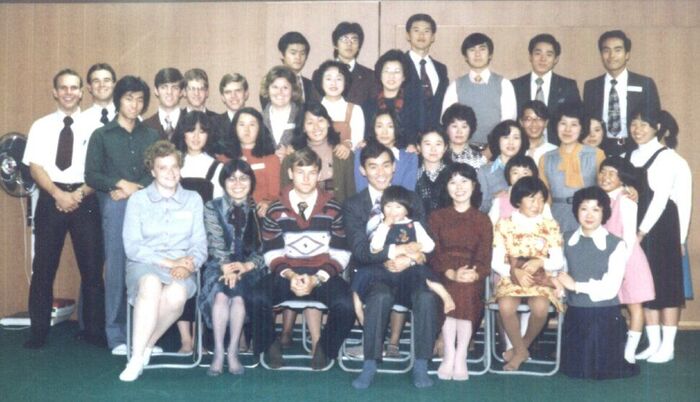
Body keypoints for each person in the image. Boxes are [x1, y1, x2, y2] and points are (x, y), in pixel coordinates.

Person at [22, 68, 105, 349]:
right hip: (50, 197)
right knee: (43, 268)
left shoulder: (96, 127)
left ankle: (95, 332)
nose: (69, 92)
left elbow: (100, 170)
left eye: (74, 87)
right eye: (63, 88)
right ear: (55, 92)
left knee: (92, 269)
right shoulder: (41, 126)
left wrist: (78, 194)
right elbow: (35, 166)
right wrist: (58, 193)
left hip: (85, 196)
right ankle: (38, 332)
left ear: (82, 92)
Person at [250, 148, 354, 370]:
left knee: (346, 305)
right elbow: (271, 252)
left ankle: (325, 348)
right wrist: (290, 275)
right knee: (255, 297)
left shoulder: (333, 207)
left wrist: (317, 278)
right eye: (300, 172)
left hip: (322, 274)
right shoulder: (276, 209)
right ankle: (270, 345)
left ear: (318, 175)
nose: (306, 178)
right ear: (290, 173)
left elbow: (341, 253)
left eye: (311, 172)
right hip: (288, 272)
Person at [344, 142, 438, 389]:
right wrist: (396, 251)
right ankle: (370, 364)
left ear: (394, 167)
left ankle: (421, 364)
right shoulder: (354, 205)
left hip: (411, 272)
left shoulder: (412, 199)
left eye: (386, 165)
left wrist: (407, 258)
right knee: (380, 296)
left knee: (426, 297)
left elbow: (425, 242)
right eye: (372, 167)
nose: (380, 172)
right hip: (374, 274)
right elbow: (361, 251)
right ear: (363, 170)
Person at [118, 141, 207, 381]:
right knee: (150, 284)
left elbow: (200, 244)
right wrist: (171, 263)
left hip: (181, 267)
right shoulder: (138, 200)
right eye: (163, 167)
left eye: (174, 167)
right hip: (144, 264)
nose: (170, 173)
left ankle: (147, 345)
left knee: (177, 295)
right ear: (152, 171)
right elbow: (133, 248)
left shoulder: (193, 199)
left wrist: (190, 263)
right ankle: (136, 359)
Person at [85, 75, 159, 354]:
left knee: (146, 268)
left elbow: (157, 170)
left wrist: (132, 188)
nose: (135, 104)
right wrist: (118, 184)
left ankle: (145, 336)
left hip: (146, 207)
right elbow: (91, 175)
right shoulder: (101, 135)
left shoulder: (151, 135)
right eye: (129, 98)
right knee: (116, 267)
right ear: (118, 100)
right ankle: (116, 335)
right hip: (114, 207)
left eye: (140, 99)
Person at [557, 186, 639, 379]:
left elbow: (610, 290)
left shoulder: (616, 244)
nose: (589, 215)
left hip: (604, 316)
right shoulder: (565, 239)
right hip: (576, 314)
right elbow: (559, 272)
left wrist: (575, 285)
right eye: (584, 208)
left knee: (600, 371)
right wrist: (558, 283)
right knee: (575, 371)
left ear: (605, 213)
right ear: (576, 211)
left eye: (596, 209)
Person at [625, 109, 683, 363]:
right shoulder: (630, 155)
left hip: (661, 227)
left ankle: (668, 346)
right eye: (633, 124)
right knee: (643, 285)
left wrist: (641, 232)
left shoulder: (667, 157)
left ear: (657, 127)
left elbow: (660, 200)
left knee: (667, 285)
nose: (637, 129)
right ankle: (654, 342)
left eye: (644, 124)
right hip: (636, 226)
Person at [198, 159, 266, 376]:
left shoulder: (259, 210)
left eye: (243, 178)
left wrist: (247, 266)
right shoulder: (212, 207)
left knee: (237, 297)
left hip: (250, 269)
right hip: (218, 267)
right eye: (231, 178)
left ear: (251, 182)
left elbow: (266, 249)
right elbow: (215, 243)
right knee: (220, 296)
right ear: (223, 182)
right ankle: (219, 353)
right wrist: (227, 267)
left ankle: (233, 351)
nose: (238, 183)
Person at [351, 185, 454, 325]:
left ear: (407, 209)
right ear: (382, 207)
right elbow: (375, 247)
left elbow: (430, 246)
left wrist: (417, 248)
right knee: (361, 274)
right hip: (384, 269)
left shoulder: (414, 225)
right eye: (388, 206)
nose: (392, 211)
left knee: (424, 272)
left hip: (408, 270)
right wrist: (385, 227)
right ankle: (358, 310)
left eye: (398, 207)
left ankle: (445, 295)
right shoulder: (381, 225)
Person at [491, 176, 564, 371]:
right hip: (511, 276)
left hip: (540, 277)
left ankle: (521, 348)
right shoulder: (504, 224)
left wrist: (541, 261)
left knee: (540, 309)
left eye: (541, 199)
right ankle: (521, 351)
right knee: (506, 307)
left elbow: (558, 260)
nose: (537, 204)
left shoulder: (550, 225)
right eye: (531, 199)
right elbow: (496, 260)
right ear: (518, 200)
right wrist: (515, 272)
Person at [429, 163, 492, 381]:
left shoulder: (483, 220)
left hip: (471, 272)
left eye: (464, 181)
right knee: (454, 287)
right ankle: (449, 354)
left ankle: (461, 355)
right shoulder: (436, 217)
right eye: (453, 182)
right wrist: (450, 272)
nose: (459, 187)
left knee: (466, 288)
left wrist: (475, 273)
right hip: (442, 272)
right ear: (446, 187)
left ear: (474, 186)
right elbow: (434, 252)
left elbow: (484, 257)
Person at [171, 111, 224, 353]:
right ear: (182, 133)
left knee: (205, 280)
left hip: (205, 237)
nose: (195, 136)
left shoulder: (217, 166)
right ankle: (185, 339)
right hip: (174, 237)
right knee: (181, 277)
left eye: (202, 131)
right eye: (191, 130)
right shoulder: (173, 163)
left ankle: (202, 334)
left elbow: (220, 209)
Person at [597, 156, 655, 363]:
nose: (605, 177)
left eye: (612, 173)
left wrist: (620, 267)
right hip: (604, 260)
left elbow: (629, 237)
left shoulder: (626, 199)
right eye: (603, 172)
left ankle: (629, 352)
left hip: (628, 260)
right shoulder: (597, 198)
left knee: (634, 305)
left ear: (622, 178)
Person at [583, 30, 661, 157]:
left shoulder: (644, 83)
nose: (611, 55)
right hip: (601, 149)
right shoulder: (591, 86)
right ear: (601, 54)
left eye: (617, 50)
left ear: (627, 54)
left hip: (635, 148)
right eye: (606, 50)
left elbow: (655, 119)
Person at [441, 32, 517, 147]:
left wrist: (491, 150)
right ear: (466, 57)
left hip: (495, 150)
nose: (477, 54)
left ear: (490, 54)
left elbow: (508, 124)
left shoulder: (503, 84)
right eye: (472, 50)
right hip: (462, 150)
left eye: (482, 49)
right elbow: (446, 122)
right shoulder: (456, 86)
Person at [539, 103, 605, 233]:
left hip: (588, 216)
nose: (567, 130)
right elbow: (544, 196)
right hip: (556, 216)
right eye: (563, 123)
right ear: (556, 126)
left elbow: (606, 188)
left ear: (582, 128)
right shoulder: (546, 158)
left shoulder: (596, 154)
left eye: (574, 124)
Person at [511, 34, 581, 145]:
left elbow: (577, 121)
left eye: (549, 55)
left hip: (558, 149)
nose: (543, 59)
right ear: (530, 56)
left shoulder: (568, 86)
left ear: (556, 59)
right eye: (538, 53)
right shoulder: (515, 86)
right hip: (522, 149)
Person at [281, 103, 355, 203]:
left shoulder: (343, 155)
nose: (316, 127)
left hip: (337, 215)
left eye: (320, 120)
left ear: (328, 123)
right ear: (303, 128)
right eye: (310, 123)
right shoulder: (291, 158)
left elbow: (351, 196)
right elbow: (285, 196)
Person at [225, 107, 280, 216]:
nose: (247, 130)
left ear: (260, 128)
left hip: (261, 214)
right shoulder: (224, 159)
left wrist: (267, 203)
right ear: (234, 128)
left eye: (252, 125)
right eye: (242, 124)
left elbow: (275, 194)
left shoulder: (271, 159)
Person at [362, 49, 421, 151]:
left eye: (396, 72)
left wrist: (413, 145)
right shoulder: (368, 105)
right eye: (387, 71)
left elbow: (418, 134)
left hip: (405, 156)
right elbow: (367, 136)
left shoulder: (414, 104)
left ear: (404, 77)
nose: (391, 76)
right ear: (380, 75)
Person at [404, 13, 449, 134]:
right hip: (405, 140)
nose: (421, 35)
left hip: (435, 140)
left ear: (433, 37)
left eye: (426, 31)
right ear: (408, 35)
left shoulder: (441, 69)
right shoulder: (399, 64)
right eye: (416, 30)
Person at [354, 110, 418, 191]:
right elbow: (361, 190)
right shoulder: (361, 152)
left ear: (397, 128)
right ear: (373, 129)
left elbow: (408, 193)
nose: (384, 132)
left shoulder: (409, 157)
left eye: (390, 126)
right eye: (379, 126)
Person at [477, 120, 529, 213]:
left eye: (516, 138)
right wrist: (494, 199)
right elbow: (480, 207)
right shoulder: (484, 171)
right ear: (498, 140)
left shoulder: (528, 168)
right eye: (506, 137)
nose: (511, 142)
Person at [313, 60, 365, 149]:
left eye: (338, 79)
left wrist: (347, 145)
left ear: (345, 82)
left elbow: (357, 144)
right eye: (328, 79)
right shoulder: (313, 110)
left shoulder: (355, 110)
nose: (333, 83)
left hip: (347, 161)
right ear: (321, 82)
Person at [488, 154, 551, 224]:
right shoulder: (499, 201)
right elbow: (490, 226)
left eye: (525, 173)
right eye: (515, 173)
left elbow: (550, 226)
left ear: (533, 175)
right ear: (508, 175)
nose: (520, 177)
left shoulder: (540, 201)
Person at [261, 31, 318, 107]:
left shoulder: (312, 85)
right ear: (282, 54)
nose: (298, 57)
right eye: (293, 53)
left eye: (302, 53)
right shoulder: (270, 83)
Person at [260, 65, 304, 159]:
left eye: (285, 87)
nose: (280, 92)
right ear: (268, 89)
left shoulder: (303, 116)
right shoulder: (258, 119)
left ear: (293, 90)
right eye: (275, 87)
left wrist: (293, 154)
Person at [331, 21, 377, 106]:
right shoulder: (321, 73)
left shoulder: (370, 76)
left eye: (354, 40)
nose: (349, 44)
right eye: (344, 39)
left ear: (359, 47)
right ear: (335, 45)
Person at [415, 129, 452, 215]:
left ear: (445, 148)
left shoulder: (453, 174)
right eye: (428, 144)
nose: (433, 149)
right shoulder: (413, 174)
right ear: (419, 147)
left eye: (438, 144)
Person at [143, 67, 184, 141]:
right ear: (156, 91)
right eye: (164, 87)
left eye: (175, 87)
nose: (169, 92)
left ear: (181, 92)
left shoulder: (191, 123)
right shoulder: (145, 126)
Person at [442, 103, 486, 169]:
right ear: (446, 128)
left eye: (464, 127)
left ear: (471, 129)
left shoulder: (480, 159)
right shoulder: (437, 155)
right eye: (454, 126)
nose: (459, 131)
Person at [519, 100, 557, 165]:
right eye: (528, 119)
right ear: (521, 122)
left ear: (546, 123)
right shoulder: (514, 150)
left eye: (539, 119)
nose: (534, 124)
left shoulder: (554, 152)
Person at [215, 73, 249, 140]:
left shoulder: (257, 122)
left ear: (246, 94)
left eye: (238, 91)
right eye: (228, 92)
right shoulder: (214, 124)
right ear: (222, 97)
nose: (233, 96)